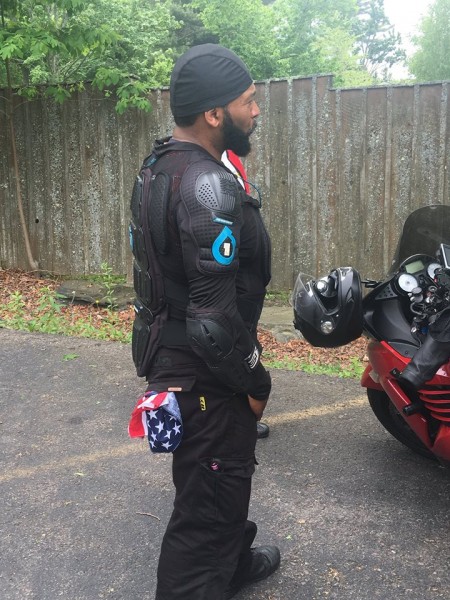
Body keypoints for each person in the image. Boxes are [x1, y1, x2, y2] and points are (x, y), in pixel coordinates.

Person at [130, 43, 280, 599]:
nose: (256, 111)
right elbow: (213, 319)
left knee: (218, 478)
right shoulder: (205, 184)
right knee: (207, 498)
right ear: (214, 114)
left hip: (175, 357)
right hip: (206, 371)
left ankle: (232, 561)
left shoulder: (158, 166)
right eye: (248, 101)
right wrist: (256, 381)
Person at [221, 148, 270, 440]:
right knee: (233, 351)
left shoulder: (228, 157)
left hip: (248, 285)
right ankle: (233, 421)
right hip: (234, 285)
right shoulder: (214, 159)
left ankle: (236, 417)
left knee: (245, 344)